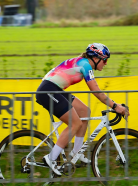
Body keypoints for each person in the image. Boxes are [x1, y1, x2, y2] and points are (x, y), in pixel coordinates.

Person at [36, 43, 130, 175]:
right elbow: (96, 91)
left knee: (85, 112)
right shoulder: (85, 65)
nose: (106, 63)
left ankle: (77, 152)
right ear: (96, 58)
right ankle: (51, 158)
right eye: (105, 60)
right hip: (48, 91)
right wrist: (115, 106)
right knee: (75, 123)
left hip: (55, 89)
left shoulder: (83, 62)